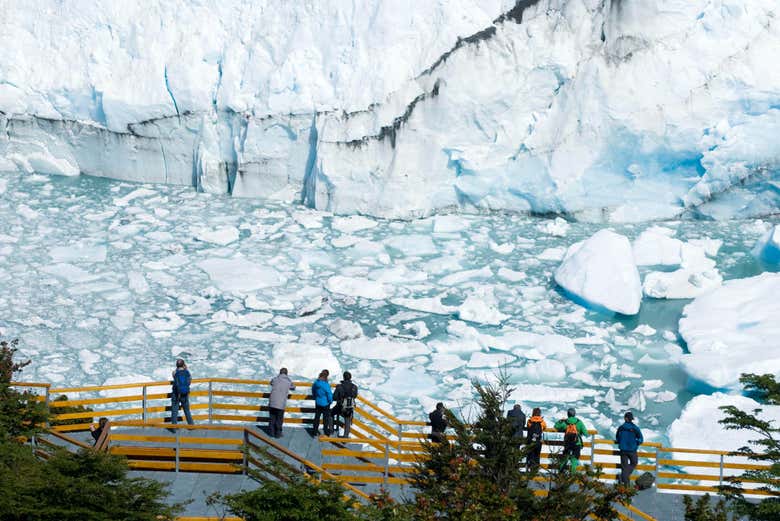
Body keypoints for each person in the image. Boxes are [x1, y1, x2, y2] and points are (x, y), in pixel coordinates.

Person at [554, 408, 588, 472]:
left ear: (568, 414)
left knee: (564, 459)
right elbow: (586, 433)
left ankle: (560, 474)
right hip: (576, 443)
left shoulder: (565, 422)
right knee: (574, 460)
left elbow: (556, 426)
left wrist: (561, 421)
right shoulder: (579, 422)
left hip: (567, 443)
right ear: (575, 414)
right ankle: (572, 476)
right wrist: (579, 432)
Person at [616, 411, 644, 486]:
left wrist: (622, 442)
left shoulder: (621, 428)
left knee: (624, 467)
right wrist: (636, 442)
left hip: (623, 450)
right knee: (634, 463)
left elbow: (617, 438)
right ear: (631, 419)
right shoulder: (635, 428)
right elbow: (641, 439)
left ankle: (625, 483)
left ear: (625, 418)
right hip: (632, 450)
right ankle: (624, 478)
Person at [268, 368, 295, 438]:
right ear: (286, 374)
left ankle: (271, 433)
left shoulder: (275, 379)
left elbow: (271, 382)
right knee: (279, 419)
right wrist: (289, 380)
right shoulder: (288, 381)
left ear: (280, 373)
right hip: (281, 403)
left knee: (272, 418)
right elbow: (293, 387)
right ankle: (278, 433)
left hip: (272, 402)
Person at [332, 371, 358, 438]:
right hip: (349, 408)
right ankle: (345, 437)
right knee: (347, 420)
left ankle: (331, 430)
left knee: (330, 414)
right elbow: (355, 396)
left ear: (343, 378)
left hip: (340, 407)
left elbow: (334, 397)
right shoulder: (354, 387)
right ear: (350, 378)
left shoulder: (339, 387)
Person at [171, 358, 193, 426]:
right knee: (187, 410)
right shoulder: (187, 372)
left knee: (175, 411)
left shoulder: (174, 373)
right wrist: (186, 368)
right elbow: (189, 382)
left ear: (176, 365)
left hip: (176, 394)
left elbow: (174, 376)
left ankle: (174, 427)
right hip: (185, 394)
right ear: (183, 364)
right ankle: (191, 425)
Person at [311, 370, 333, 436]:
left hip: (318, 402)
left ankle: (315, 431)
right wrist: (330, 401)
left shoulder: (316, 383)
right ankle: (326, 431)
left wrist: (315, 397)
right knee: (325, 418)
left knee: (317, 417)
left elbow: (313, 390)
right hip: (325, 403)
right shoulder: (326, 385)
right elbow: (329, 394)